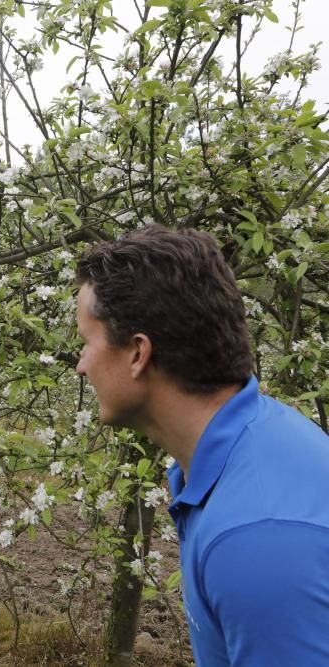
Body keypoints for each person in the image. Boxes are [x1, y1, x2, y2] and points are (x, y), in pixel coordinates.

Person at [74, 224, 329, 666]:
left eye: (86, 342)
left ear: (138, 353)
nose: (80, 366)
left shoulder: (258, 534)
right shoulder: (252, 444)